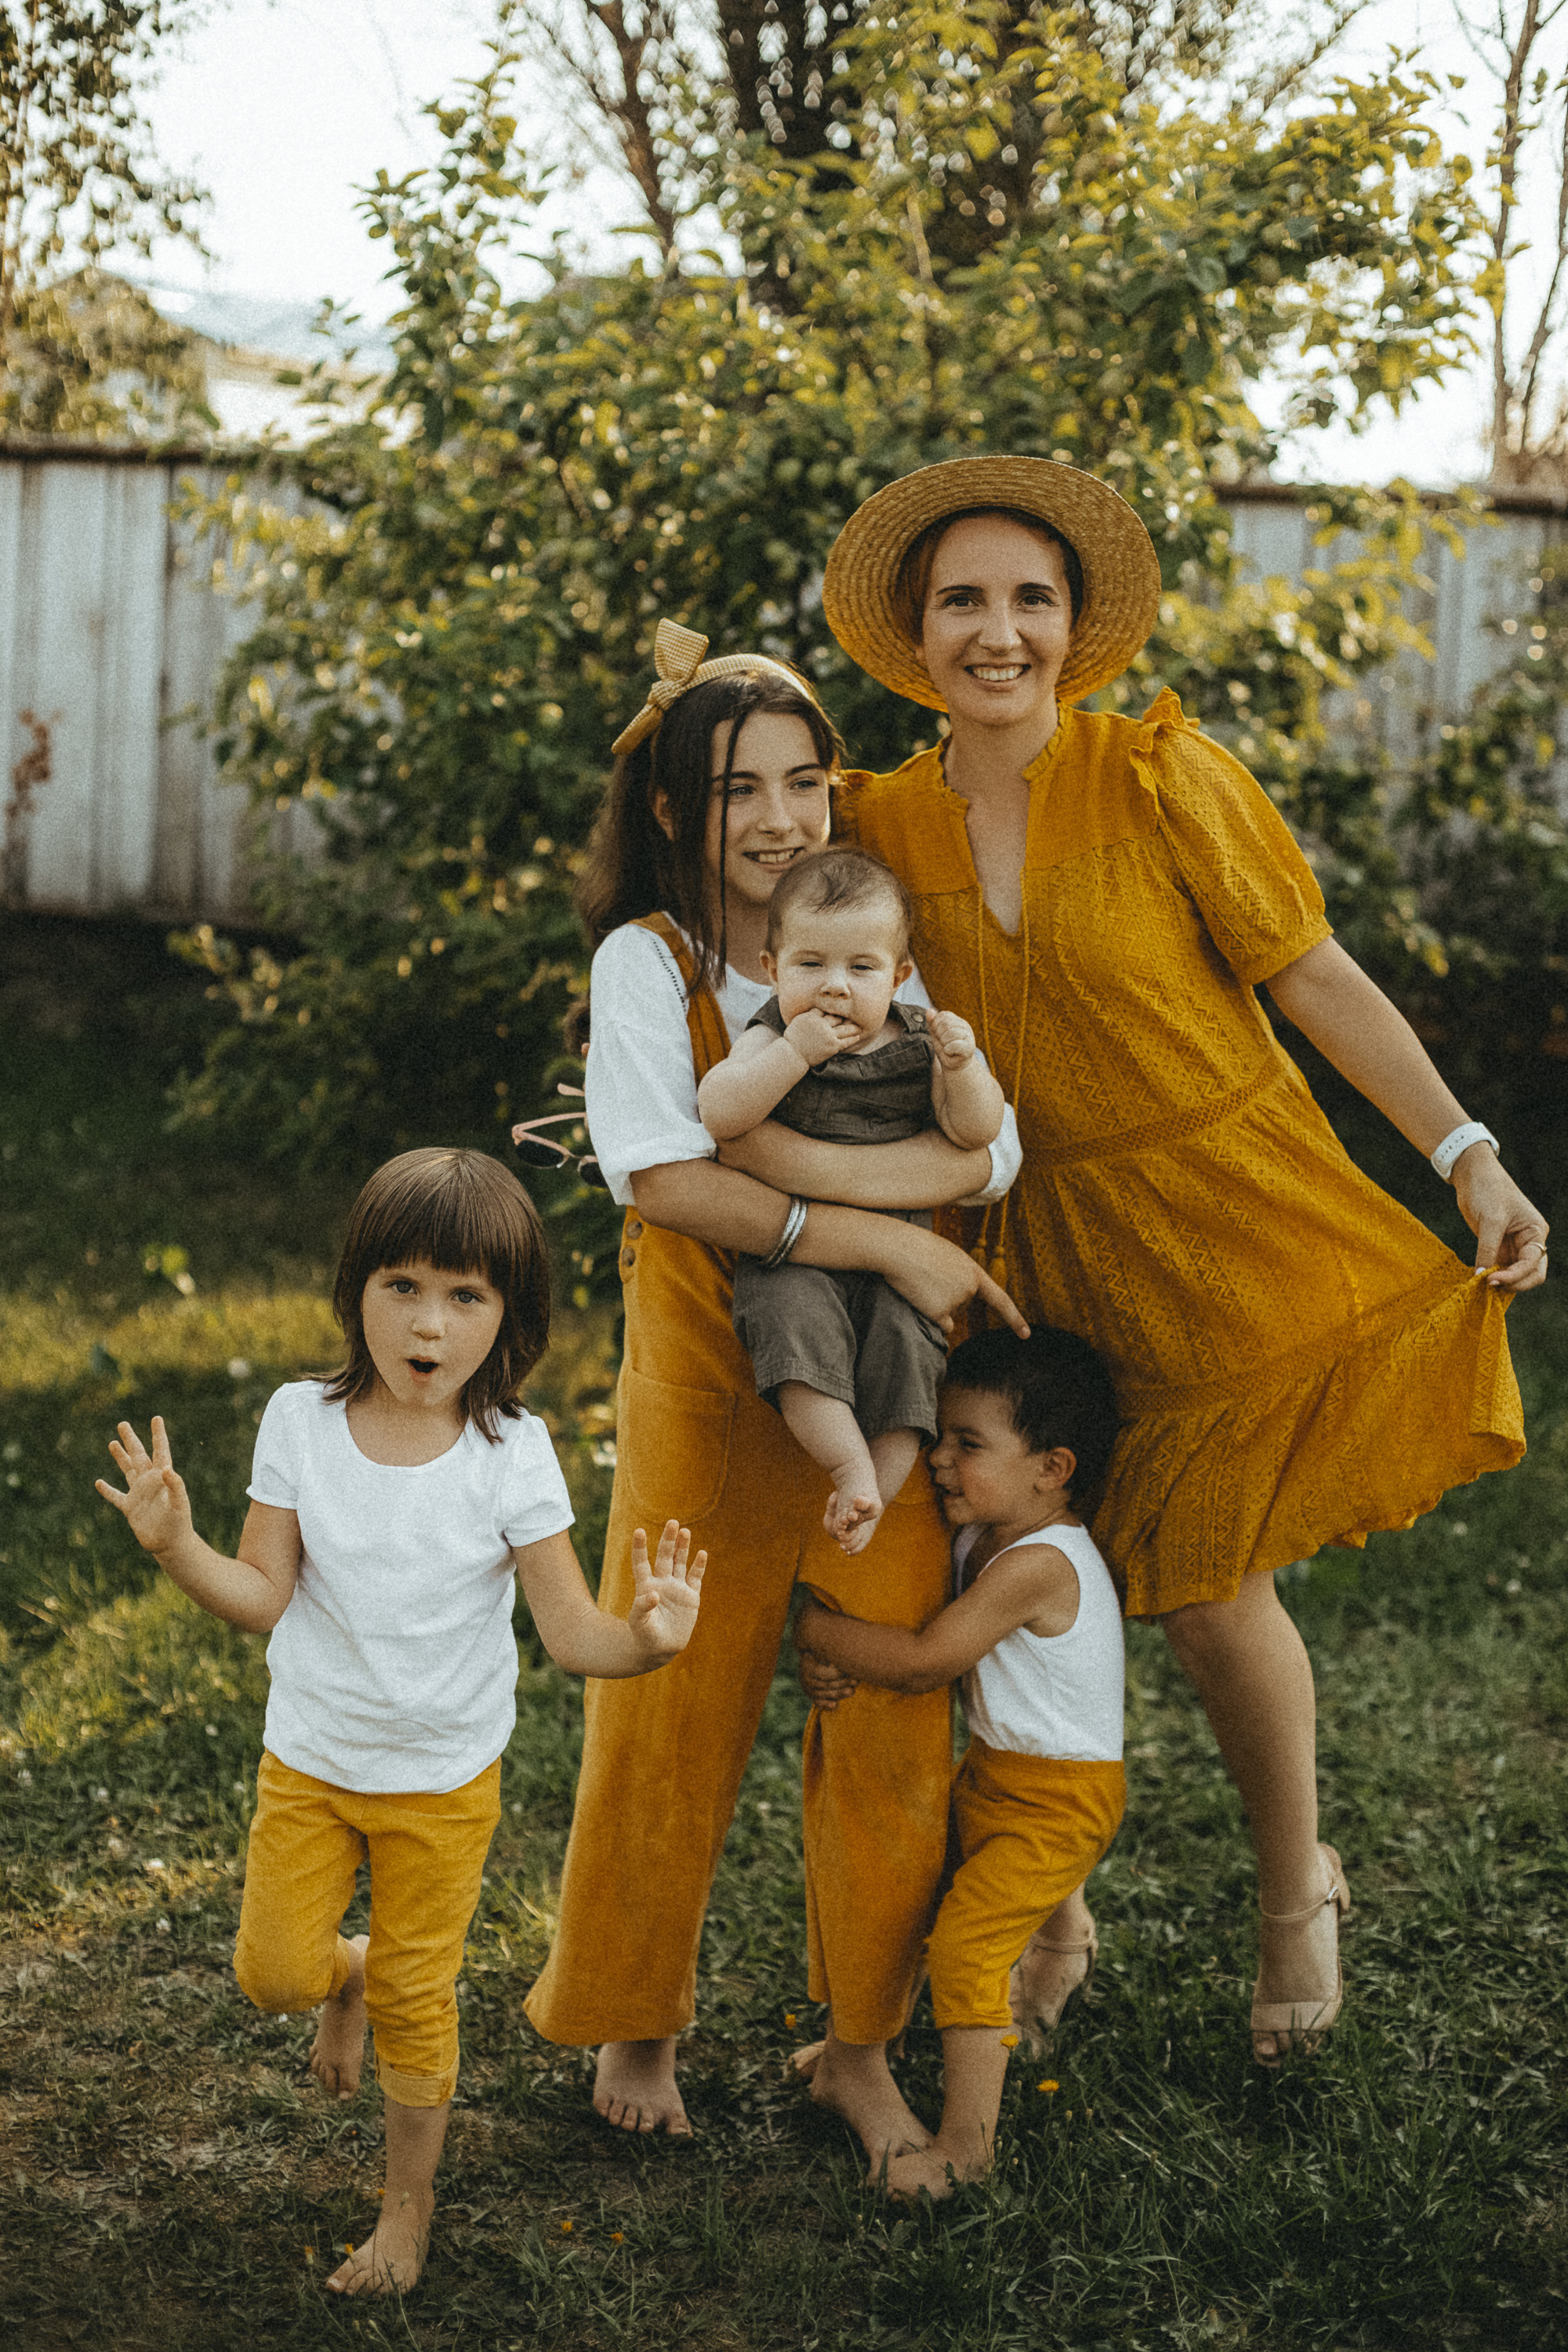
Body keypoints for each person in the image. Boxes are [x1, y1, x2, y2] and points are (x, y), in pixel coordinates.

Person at [739, 456, 1548, 2064]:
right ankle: (1048, 1909)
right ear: (914, 632)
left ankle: (1288, 1898)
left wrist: (1465, 1150)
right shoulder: (879, 825)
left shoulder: (1165, 774)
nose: (998, 630)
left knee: (1200, 1587)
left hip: (1219, 1216)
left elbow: (1310, 977)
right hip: (1029, 1243)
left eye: (1029, 599)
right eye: (963, 599)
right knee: (998, 1565)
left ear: (1074, 626)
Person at [521, 619, 1025, 2165]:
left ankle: (858, 2040)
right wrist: (892, 1225)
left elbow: (986, 1152)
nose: (786, 817)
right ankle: (636, 2014)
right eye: (744, 788)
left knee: (887, 1698)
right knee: (673, 1689)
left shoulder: (858, 935)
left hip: (876, 1384)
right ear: (677, 809)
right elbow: (660, 1176)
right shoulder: (650, 962)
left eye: (807, 780)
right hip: (702, 1374)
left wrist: (825, 1181)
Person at [94, 1147, 706, 2297]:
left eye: (466, 1295)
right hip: (313, 1764)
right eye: (404, 1287)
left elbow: (573, 1633)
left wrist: (651, 1640)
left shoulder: (511, 1452)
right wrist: (179, 1547)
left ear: (508, 1318)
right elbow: (262, 1597)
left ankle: (404, 2217)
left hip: (441, 1781)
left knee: (427, 2004)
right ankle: (347, 1973)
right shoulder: (300, 1422)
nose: (431, 1321)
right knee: (273, 1975)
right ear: (357, 1292)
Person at [796, 1324, 1127, 2198]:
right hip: (995, 1776)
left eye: (966, 1444)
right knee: (923, 1897)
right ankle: (857, 2048)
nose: (939, 1460)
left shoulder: (1041, 1563)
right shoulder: (982, 1532)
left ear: (1050, 1469)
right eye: (939, 1437)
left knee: (967, 1949)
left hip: (1057, 1801)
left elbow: (922, 1661)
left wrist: (810, 1628)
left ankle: (965, 2151)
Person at [698, 844, 1005, 1553]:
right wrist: (792, 1057)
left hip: (903, 1258)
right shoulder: (772, 1035)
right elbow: (720, 1113)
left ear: (899, 977)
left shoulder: (924, 1039)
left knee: (911, 1349)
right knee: (791, 1326)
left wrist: (963, 1068)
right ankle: (848, 1465)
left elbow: (975, 1132)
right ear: (772, 971)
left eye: (860, 969)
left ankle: (877, 1492)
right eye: (811, 966)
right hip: (797, 1254)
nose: (834, 988)